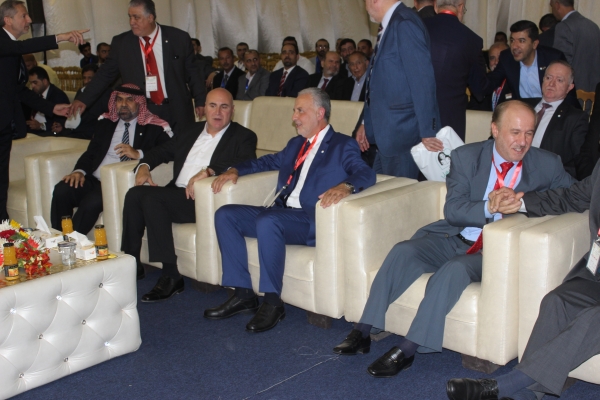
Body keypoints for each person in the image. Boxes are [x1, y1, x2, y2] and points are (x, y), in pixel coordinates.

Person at [333, 100, 575, 378]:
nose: (523, 142)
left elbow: (574, 197)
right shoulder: (466, 156)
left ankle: (408, 349)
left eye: (529, 133)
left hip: (495, 251)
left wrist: (525, 203)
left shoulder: (547, 164)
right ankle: (364, 330)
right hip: (456, 235)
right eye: (515, 132)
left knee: (454, 269)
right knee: (403, 251)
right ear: (495, 130)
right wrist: (489, 207)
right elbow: (454, 210)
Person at [204, 88, 376, 332]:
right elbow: (266, 162)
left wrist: (346, 186)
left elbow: (365, 172)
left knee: (269, 220)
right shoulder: (296, 144)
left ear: (320, 113)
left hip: (309, 219)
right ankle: (243, 295)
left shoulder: (342, 145)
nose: (294, 117)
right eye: (294, 111)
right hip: (280, 213)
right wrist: (235, 169)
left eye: (300, 111)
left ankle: (273, 302)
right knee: (226, 215)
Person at [446, 154, 600, 400]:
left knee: (593, 318)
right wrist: (521, 202)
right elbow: (572, 197)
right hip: (596, 273)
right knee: (556, 302)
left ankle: (506, 385)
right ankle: (527, 396)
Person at [121, 88, 257, 296]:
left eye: (224, 107)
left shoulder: (243, 136)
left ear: (232, 110)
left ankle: (171, 275)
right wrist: (144, 166)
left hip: (202, 199)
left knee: (151, 199)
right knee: (135, 194)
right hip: (175, 194)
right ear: (204, 109)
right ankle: (131, 262)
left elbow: (245, 160)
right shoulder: (190, 131)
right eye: (212, 106)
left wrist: (209, 171)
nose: (217, 112)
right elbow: (162, 151)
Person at [0, 0, 86, 220]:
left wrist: (52, 107)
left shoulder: (12, 48)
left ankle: (3, 230)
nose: (29, 20)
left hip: (5, 127)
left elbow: (19, 91)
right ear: (7, 20)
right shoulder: (5, 43)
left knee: (2, 183)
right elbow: (22, 47)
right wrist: (62, 37)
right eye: (23, 16)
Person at [50, 84, 172, 236]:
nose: (123, 104)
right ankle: (57, 237)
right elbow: (91, 152)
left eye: (129, 100)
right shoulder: (105, 123)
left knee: (91, 202)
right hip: (94, 178)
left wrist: (139, 153)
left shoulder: (154, 127)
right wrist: (79, 171)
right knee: (62, 190)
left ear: (139, 102)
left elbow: (170, 150)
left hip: (116, 182)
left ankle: (70, 241)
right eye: (119, 99)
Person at [71, 0, 206, 133]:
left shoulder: (178, 38)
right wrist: (83, 99)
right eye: (130, 17)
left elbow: (193, 73)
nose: (131, 22)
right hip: (142, 111)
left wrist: (201, 100)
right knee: (148, 148)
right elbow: (104, 74)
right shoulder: (122, 43)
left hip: (177, 110)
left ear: (150, 17)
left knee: (181, 147)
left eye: (136, 17)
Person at [356, 0, 440, 178]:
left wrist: (428, 132)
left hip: (402, 135)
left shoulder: (404, 24)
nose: (365, 6)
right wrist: (365, 122)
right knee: (380, 192)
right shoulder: (391, 24)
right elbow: (377, 84)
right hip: (386, 135)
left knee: (399, 194)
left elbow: (422, 80)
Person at [423, 0, 488, 141]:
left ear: (435, 6)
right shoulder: (472, 40)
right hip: (450, 124)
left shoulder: (416, 28)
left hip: (414, 119)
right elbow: (479, 89)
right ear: (461, 7)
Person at [487, 20, 578, 107]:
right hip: (522, 109)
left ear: (534, 44)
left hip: (550, 108)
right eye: (512, 40)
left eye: (521, 41)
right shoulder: (507, 57)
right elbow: (490, 82)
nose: (514, 46)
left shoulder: (552, 58)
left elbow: (569, 92)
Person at [527, 60, 588, 179]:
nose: (551, 84)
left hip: (546, 179)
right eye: (548, 78)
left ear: (569, 87)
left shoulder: (575, 118)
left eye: (559, 80)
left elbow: (578, 162)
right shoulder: (522, 105)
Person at [551, 0, 600, 92]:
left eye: (551, 6)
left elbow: (562, 63)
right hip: (595, 90)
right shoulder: (593, 26)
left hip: (574, 90)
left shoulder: (564, 26)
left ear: (557, 5)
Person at [53, 64, 111, 139]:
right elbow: (75, 114)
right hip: (74, 131)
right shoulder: (81, 92)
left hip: (90, 134)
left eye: (90, 78)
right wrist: (63, 126)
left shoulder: (106, 94)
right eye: (84, 78)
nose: (86, 81)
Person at [26, 66, 70, 136]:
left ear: (45, 81)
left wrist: (41, 125)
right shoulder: (33, 94)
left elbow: (60, 123)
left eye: (35, 82)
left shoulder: (58, 95)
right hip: (31, 130)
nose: (32, 86)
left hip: (49, 133)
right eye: (31, 83)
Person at [468, 42, 508, 112]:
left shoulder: (515, 82)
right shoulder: (482, 82)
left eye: (500, 58)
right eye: (492, 58)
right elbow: (473, 110)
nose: (496, 62)